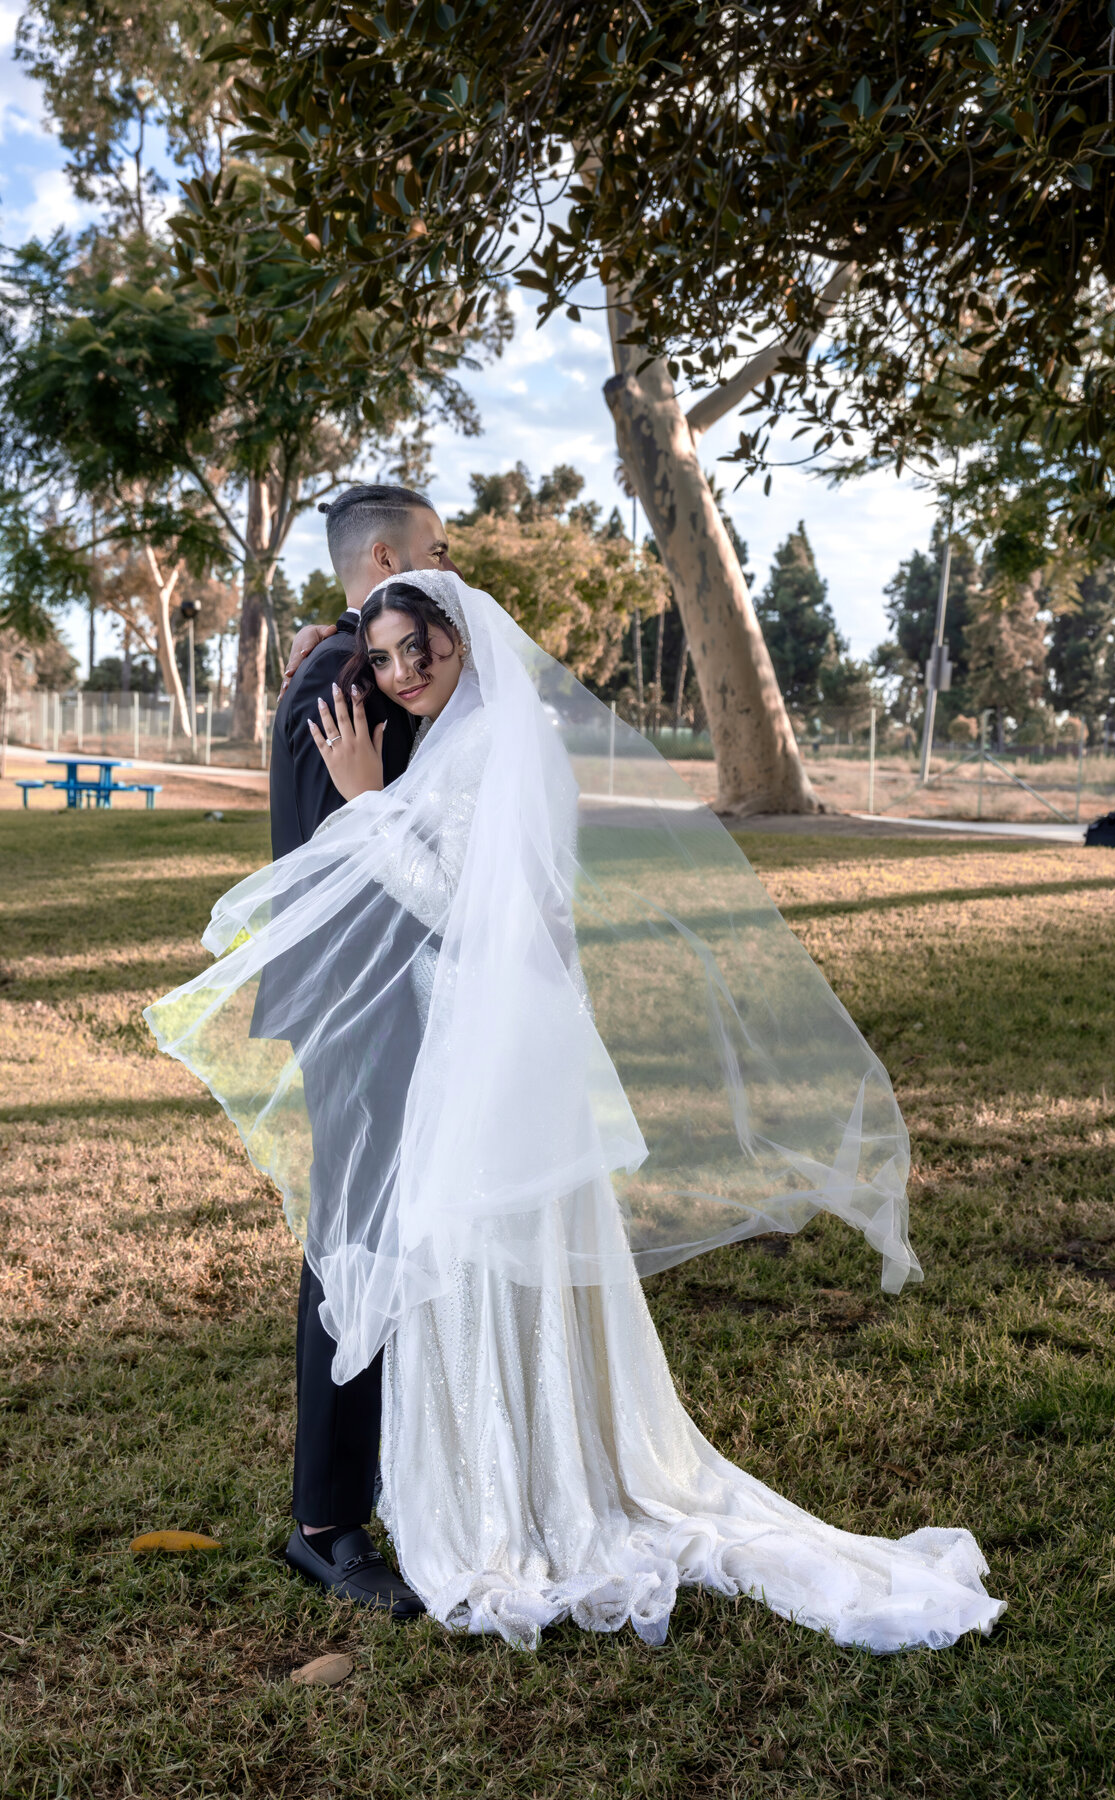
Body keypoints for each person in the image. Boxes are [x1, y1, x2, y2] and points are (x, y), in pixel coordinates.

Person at [147, 569, 1004, 1653]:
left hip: (493, 1032)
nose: (406, 675)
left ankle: (527, 1483)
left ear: (467, 638)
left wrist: (365, 799)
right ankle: (500, 1458)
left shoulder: (506, 742)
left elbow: (468, 902)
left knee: (493, 1240)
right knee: (478, 1249)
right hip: (474, 1027)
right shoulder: (461, 734)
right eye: (385, 656)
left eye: (425, 649)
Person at [256, 484, 457, 1620]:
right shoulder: (354, 680)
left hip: (357, 999)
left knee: (376, 1237)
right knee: (353, 1248)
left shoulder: (327, 660)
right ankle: (327, 1523)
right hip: (367, 1004)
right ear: (383, 557)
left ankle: (373, 1486)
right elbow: (370, 852)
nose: (448, 567)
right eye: (434, 551)